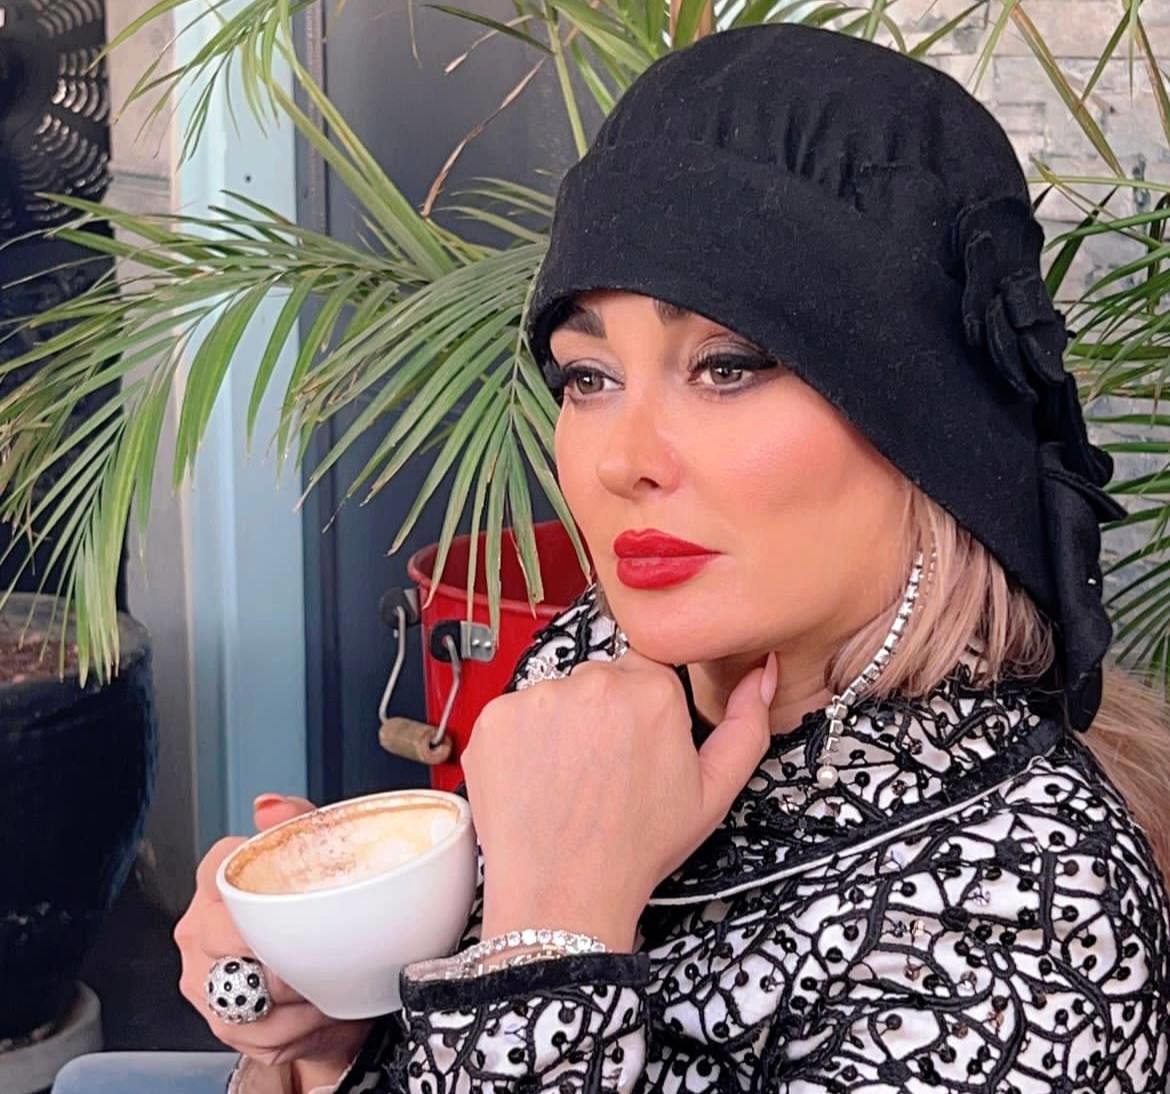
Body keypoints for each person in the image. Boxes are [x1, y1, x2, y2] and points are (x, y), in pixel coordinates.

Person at [55, 21, 1170, 1094]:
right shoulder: (596, 664)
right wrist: (336, 1029)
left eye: (726, 366)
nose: (622, 459)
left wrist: (549, 934)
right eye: (588, 377)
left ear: (927, 425)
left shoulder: (1036, 907)